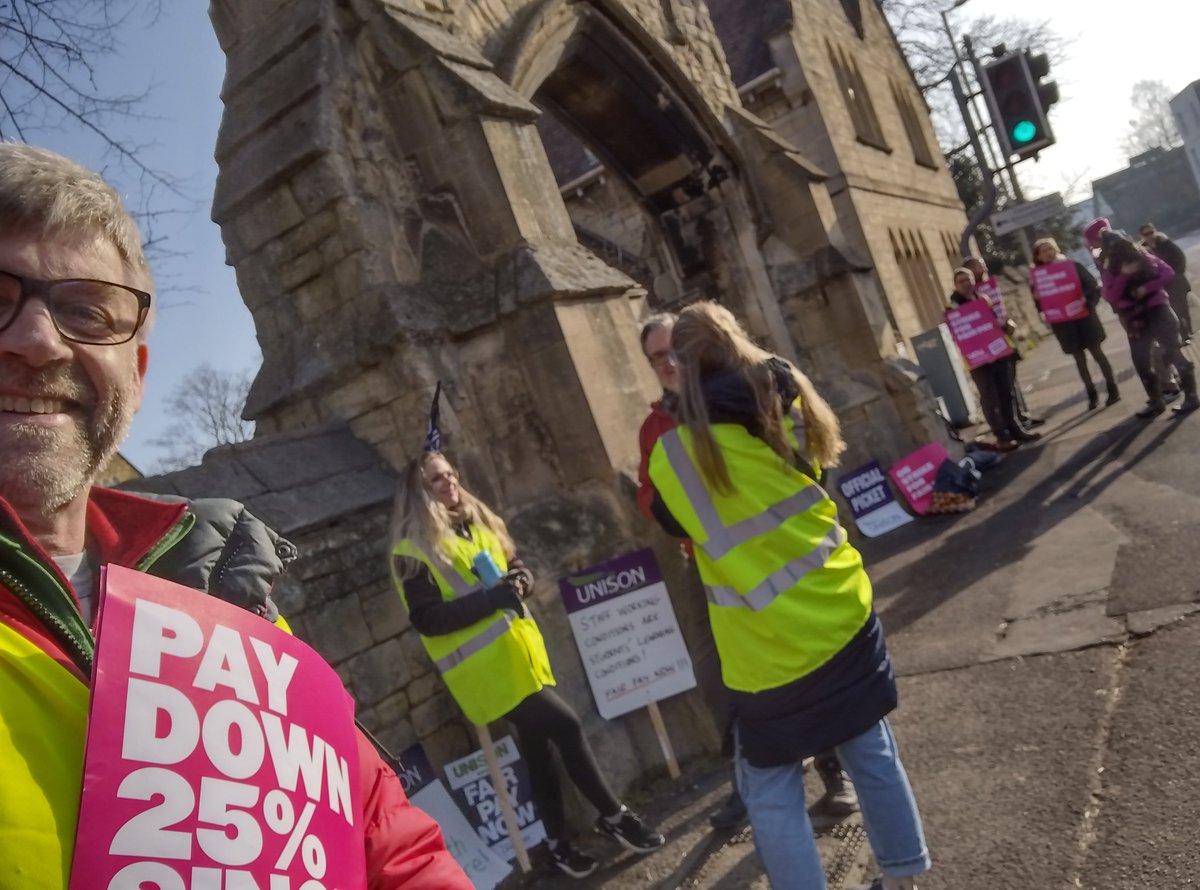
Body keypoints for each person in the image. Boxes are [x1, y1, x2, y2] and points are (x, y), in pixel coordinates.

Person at [0, 143, 470, 888]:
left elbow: (386, 842)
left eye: (86, 311)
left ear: (138, 374)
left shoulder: (214, 582)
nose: (36, 340)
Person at [645, 302, 929, 890]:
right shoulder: (785, 400)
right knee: (870, 750)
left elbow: (671, 520)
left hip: (767, 652)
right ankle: (903, 879)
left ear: (682, 364)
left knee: (770, 794)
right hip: (841, 610)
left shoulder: (672, 456)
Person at [388, 452, 666, 878]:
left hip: (521, 657)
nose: (448, 483)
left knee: (537, 752)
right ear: (419, 492)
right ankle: (615, 816)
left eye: (449, 474)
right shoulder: (413, 550)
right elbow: (426, 620)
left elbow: (514, 565)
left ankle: (557, 846)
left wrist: (521, 581)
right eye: (435, 480)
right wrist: (490, 600)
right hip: (487, 674)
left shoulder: (477, 524)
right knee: (569, 726)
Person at [637, 313, 857, 830]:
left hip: (771, 552)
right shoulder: (655, 427)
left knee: (796, 654)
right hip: (708, 561)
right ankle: (747, 781)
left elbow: (788, 463)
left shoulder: (732, 395)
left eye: (673, 350)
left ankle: (832, 772)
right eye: (656, 357)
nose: (667, 362)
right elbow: (652, 500)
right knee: (717, 673)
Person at [1092, 220, 1199, 417]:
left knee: (1173, 353)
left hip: (1158, 311)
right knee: (1142, 362)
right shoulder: (1110, 272)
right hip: (1135, 319)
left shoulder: (1145, 258)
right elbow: (1111, 296)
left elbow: (1167, 273)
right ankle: (1157, 402)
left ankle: (1191, 397)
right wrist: (1124, 276)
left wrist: (1145, 288)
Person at [949, 268, 1038, 450]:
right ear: (956, 285)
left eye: (968, 279)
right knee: (990, 398)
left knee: (1006, 394)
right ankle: (1002, 436)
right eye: (961, 281)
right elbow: (956, 333)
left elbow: (997, 321)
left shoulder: (984, 300)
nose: (966, 283)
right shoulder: (953, 308)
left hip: (998, 353)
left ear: (974, 281)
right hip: (978, 360)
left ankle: (1016, 430)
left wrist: (1002, 324)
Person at [1030, 237, 1119, 410]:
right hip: (1064, 324)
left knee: (1098, 353)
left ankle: (1112, 387)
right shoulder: (1037, 278)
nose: (1048, 253)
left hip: (1083, 316)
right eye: (1044, 251)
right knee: (1079, 360)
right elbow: (1040, 304)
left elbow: (1092, 285)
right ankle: (1091, 394)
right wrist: (1039, 302)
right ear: (1038, 257)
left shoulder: (1071, 266)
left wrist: (1087, 300)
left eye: (1050, 248)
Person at [963, 255, 1044, 430]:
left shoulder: (988, 288)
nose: (983, 268)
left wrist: (1006, 322)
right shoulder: (971, 296)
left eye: (983, 264)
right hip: (991, 345)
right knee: (1004, 386)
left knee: (1012, 381)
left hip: (1005, 336)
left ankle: (1021, 415)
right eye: (978, 266)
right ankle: (1014, 420)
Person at [1140, 222, 1193, 343]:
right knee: (1174, 311)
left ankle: (1188, 330)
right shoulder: (1143, 251)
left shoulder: (1166, 243)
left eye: (1151, 232)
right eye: (1145, 234)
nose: (1149, 236)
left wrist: (1177, 274)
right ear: (1142, 236)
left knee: (1183, 309)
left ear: (1155, 231)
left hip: (1177, 282)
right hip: (1162, 286)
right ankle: (1184, 335)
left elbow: (1180, 258)